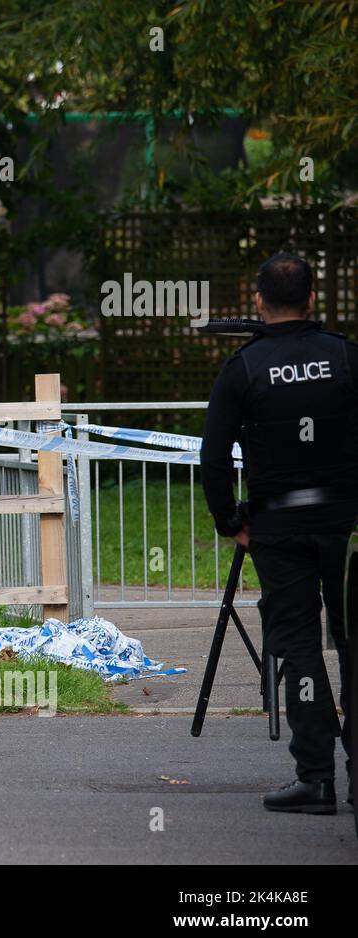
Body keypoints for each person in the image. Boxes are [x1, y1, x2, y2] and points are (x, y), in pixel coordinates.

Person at [201, 252, 358, 814]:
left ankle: (315, 777)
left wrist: (230, 523)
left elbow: (214, 457)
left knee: (297, 645)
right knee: (353, 641)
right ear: (314, 298)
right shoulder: (345, 357)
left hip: (279, 526)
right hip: (345, 525)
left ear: (259, 301)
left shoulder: (244, 367)